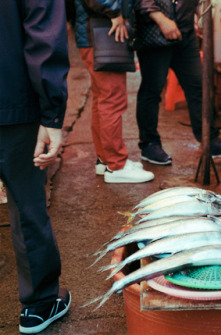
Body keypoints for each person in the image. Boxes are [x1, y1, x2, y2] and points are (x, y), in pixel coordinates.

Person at [0, 1, 71, 333]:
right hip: (12, 100)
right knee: (26, 203)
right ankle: (39, 304)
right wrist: (52, 114)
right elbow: (44, 32)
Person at [133, 0, 221, 165]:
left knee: (198, 87)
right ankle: (149, 144)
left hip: (185, 34)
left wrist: (199, 12)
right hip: (154, 33)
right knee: (151, 91)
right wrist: (161, 19)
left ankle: (209, 139)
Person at [73, 0, 155, 183]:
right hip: (102, 31)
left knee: (103, 98)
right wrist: (115, 13)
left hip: (95, 32)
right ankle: (117, 166)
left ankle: (106, 160)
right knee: (112, 99)